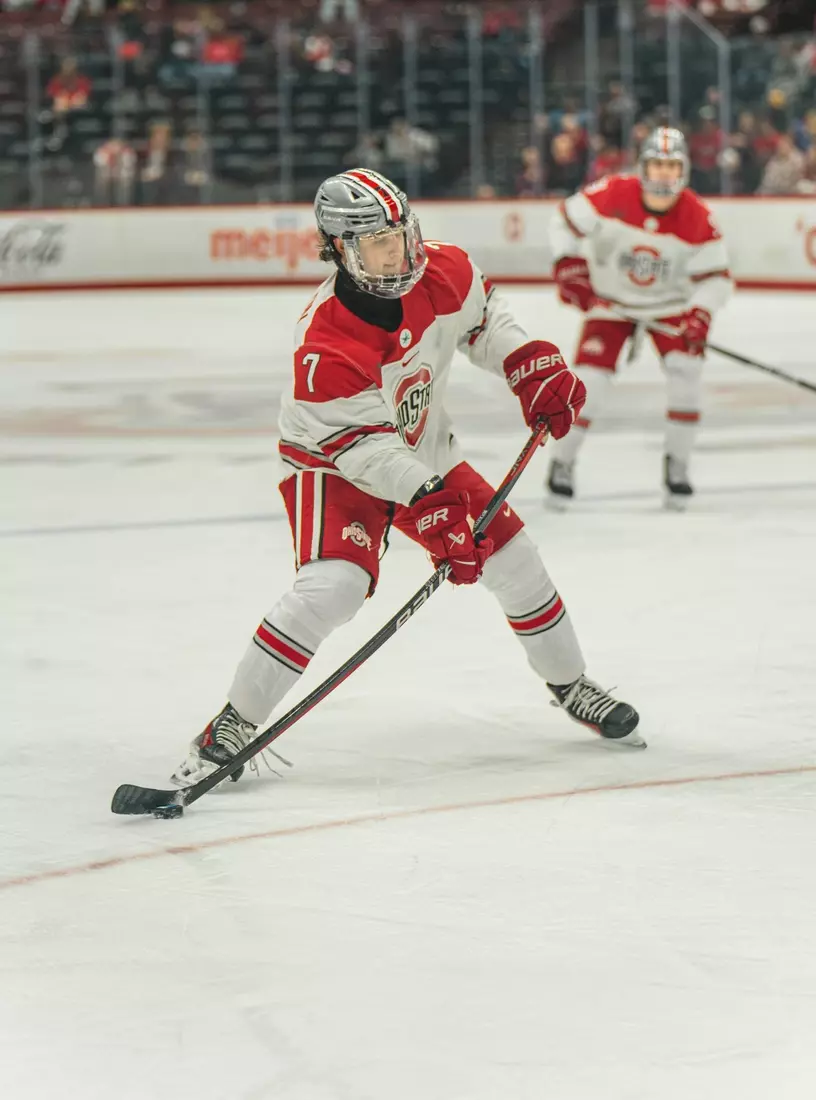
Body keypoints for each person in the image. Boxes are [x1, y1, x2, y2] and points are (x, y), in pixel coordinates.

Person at [170, 168, 644, 788]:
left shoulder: (444, 270)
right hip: (334, 464)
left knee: (516, 557)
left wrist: (527, 363)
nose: (402, 253)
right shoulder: (325, 342)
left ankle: (571, 683)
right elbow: (365, 449)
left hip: (423, 453)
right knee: (334, 586)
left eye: (403, 234)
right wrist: (431, 503)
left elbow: (486, 320)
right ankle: (233, 721)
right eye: (380, 243)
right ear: (341, 248)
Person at [546, 127, 732, 506]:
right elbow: (563, 221)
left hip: (670, 307)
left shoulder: (698, 216)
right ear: (643, 166)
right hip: (612, 303)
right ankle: (562, 462)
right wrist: (568, 263)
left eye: (672, 165)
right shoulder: (611, 192)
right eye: (657, 164)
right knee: (589, 386)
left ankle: (677, 463)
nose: (664, 174)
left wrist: (700, 315)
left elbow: (716, 279)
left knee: (686, 375)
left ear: (684, 169)